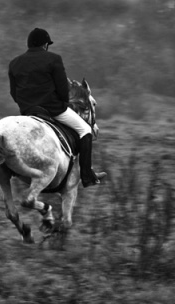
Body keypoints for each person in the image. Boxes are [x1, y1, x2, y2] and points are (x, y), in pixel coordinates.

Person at [8, 27, 106, 188]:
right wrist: (62, 103)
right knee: (85, 131)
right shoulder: (54, 59)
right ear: (45, 45)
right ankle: (87, 175)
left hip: (28, 112)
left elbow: (14, 93)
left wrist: (27, 106)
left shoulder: (14, 63)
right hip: (53, 109)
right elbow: (62, 90)